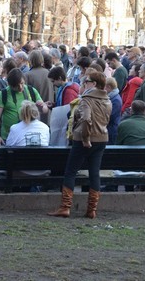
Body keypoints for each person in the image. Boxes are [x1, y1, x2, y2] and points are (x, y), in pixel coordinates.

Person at [48, 70, 111, 219]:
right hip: (101, 139)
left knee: (70, 171)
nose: (83, 83)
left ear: (94, 84)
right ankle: (91, 210)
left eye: (86, 81)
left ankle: (65, 207)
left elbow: (86, 119)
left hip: (83, 140)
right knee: (94, 173)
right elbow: (105, 120)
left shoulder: (86, 99)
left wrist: (85, 138)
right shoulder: (107, 100)